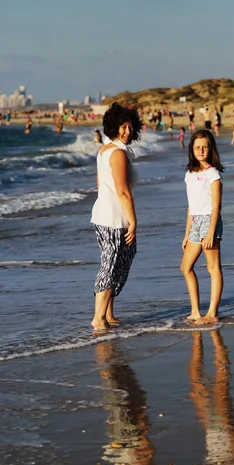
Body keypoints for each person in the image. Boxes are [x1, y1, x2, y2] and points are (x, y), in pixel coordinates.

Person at [90, 102, 142, 331]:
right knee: (110, 266)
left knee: (120, 260)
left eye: (131, 127)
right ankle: (98, 318)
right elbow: (122, 191)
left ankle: (108, 313)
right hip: (112, 218)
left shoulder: (104, 150)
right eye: (123, 126)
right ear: (113, 126)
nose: (127, 131)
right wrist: (133, 221)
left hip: (104, 214)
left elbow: (100, 183)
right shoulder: (117, 153)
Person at [180, 130, 224, 324]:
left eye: (204, 147)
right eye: (197, 147)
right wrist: (187, 232)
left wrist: (210, 233)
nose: (201, 150)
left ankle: (212, 313)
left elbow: (216, 206)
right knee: (185, 267)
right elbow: (191, 205)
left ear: (210, 148)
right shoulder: (189, 173)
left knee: (213, 268)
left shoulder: (213, 174)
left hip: (209, 221)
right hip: (195, 222)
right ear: (192, 149)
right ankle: (196, 311)